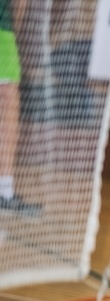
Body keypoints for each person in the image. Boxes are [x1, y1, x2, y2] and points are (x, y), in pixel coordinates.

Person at [0, 0, 40, 216]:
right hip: (5, 30)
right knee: (8, 100)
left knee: (8, 100)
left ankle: (4, 191)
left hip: (3, 31)